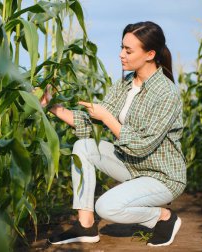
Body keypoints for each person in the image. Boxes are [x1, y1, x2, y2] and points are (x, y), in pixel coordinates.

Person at [40, 21, 186, 247]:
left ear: (150, 54)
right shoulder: (125, 85)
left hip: (161, 176)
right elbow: (90, 124)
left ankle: (163, 217)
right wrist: (51, 106)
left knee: (107, 207)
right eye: (121, 48)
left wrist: (107, 117)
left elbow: (141, 146)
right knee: (84, 147)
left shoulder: (167, 93)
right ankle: (85, 226)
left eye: (128, 50)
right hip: (132, 166)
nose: (121, 55)